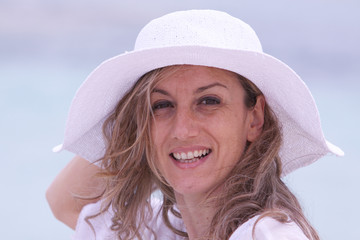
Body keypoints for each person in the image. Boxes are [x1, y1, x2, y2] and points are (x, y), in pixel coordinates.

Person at [46, 10, 344, 240]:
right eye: (161, 105)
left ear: (254, 119)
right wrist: (137, 130)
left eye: (209, 101)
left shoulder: (267, 235)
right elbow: (66, 201)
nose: (182, 129)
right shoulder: (170, 229)